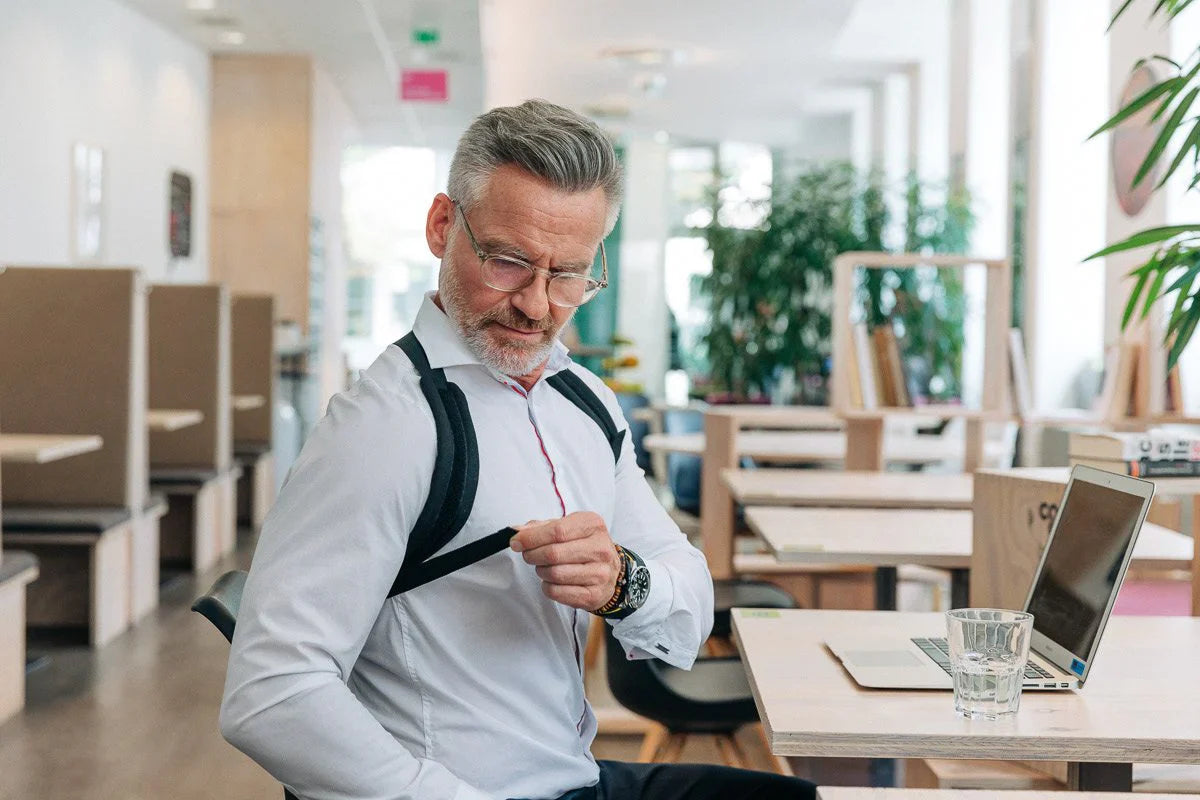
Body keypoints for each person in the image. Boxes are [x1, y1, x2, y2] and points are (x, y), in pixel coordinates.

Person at [220, 98, 815, 800]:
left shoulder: (583, 400)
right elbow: (271, 694)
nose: (537, 305)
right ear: (444, 226)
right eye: (508, 262)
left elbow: (685, 600)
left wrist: (624, 582)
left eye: (568, 275)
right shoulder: (385, 427)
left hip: (575, 778)